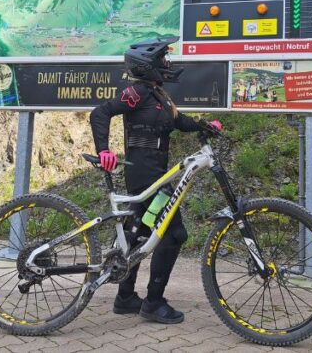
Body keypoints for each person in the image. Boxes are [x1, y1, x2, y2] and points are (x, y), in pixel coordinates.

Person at [89, 36, 220, 324]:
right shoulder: (138, 92)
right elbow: (101, 112)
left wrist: (203, 126)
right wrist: (104, 151)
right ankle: (153, 302)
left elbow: (178, 121)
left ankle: (125, 298)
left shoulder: (157, 94)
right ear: (147, 65)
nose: (167, 64)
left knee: (139, 232)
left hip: (153, 172)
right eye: (162, 59)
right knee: (173, 235)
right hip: (145, 173)